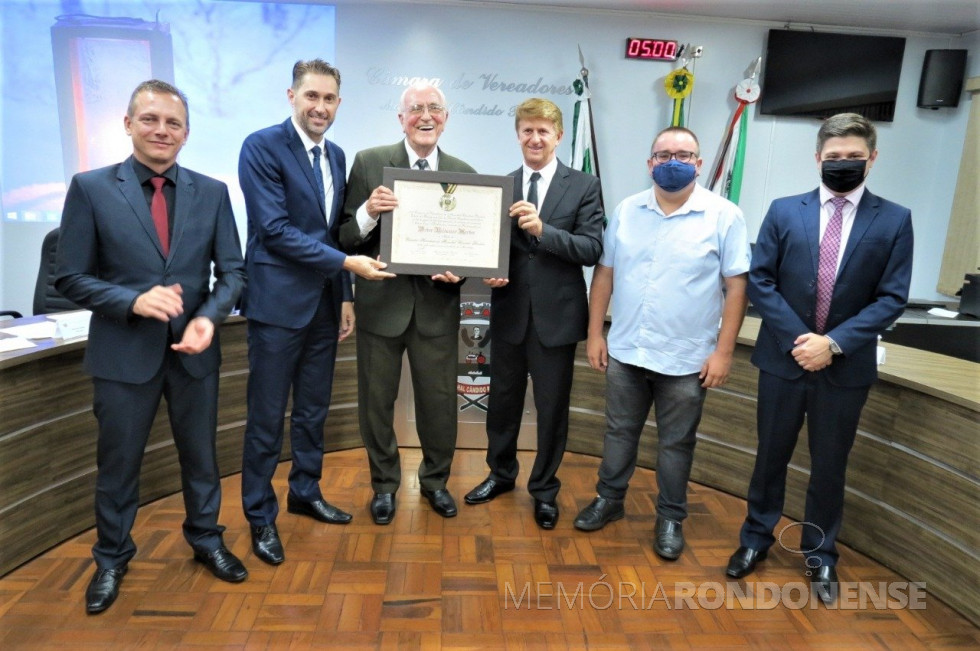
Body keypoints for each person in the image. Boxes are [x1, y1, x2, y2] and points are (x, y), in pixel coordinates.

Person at [55, 80, 248, 614]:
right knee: (118, 465)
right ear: (128, 123)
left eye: (173, 123)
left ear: (186, 132)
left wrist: (209, 318)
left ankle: (207, 539)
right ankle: (112, 556)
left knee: (202, 459)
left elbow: (232, 272)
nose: (162, 130)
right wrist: (131, 301)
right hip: (122, 354)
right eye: (150, 119)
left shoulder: (212, 192)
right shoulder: (91, 187)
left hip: (194, 353)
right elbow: (68, 276)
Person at [726, 113, 913, 604]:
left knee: (830, 465)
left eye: (854, 157)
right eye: (834, 158)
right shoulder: (785, 210)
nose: (843, 164)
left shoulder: (894, 219)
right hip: (783, 360)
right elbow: (760, 281)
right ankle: (755, 540)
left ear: (872, 158)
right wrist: (803, 340)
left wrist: (831, 344)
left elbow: (892, 298)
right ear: (817, 159)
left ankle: (821, 554)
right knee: (769, 458)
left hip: (845, 367)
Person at [238, 60, 392, 565]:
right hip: (277, 305)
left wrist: (344, 293)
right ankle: (261, 516)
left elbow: (331, 231)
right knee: (265, 418)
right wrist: (348, 263)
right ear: (292, 96)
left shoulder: (337, 155)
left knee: (312, 411)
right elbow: (275, 230)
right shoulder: (260, 147)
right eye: (311, 97)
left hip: (325, 306)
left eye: (329, 99)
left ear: (339, 104)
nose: (320, 107)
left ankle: (304, 491)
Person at [572, 127, 750, 560]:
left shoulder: (724, 215)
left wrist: (723, 351)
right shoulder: (627, 210)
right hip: (628, 350)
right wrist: (596, 333)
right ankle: (609, 501)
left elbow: (737, 286)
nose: (674, 161)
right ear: (650, 162)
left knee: (676, 444)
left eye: (684, 154)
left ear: (699, 163)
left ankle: (670, 518)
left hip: (687, 358)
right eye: (664, 154)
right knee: (618, 433)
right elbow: (605, 275)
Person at [464, 98, 603, 530]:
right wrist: (490, 274)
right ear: (518, 134)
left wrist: (545, 230)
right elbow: (488, 249)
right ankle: (501, 475)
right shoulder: (500, 186)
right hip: (506, 316)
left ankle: (544, 490)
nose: (535, 138)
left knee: (551, 409)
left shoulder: (583, 185)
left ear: (558, 136)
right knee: (502, 405)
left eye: (544, 131)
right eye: (527, 130)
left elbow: (591, 249)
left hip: (556, 321)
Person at [339, 82, 475, 524]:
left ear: (446, 117)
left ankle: (435, 482)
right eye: (416, 108)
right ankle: (384, 485)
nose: (425, 115)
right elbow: (343, 236)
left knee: (439, 405)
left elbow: (472, 245)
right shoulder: (370, 162)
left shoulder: (464, 171)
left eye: (435, 107)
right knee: (375, 404)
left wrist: (462, 271)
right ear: (401, 118)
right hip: (381, 307)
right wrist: (369, 212)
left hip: (437, 307)